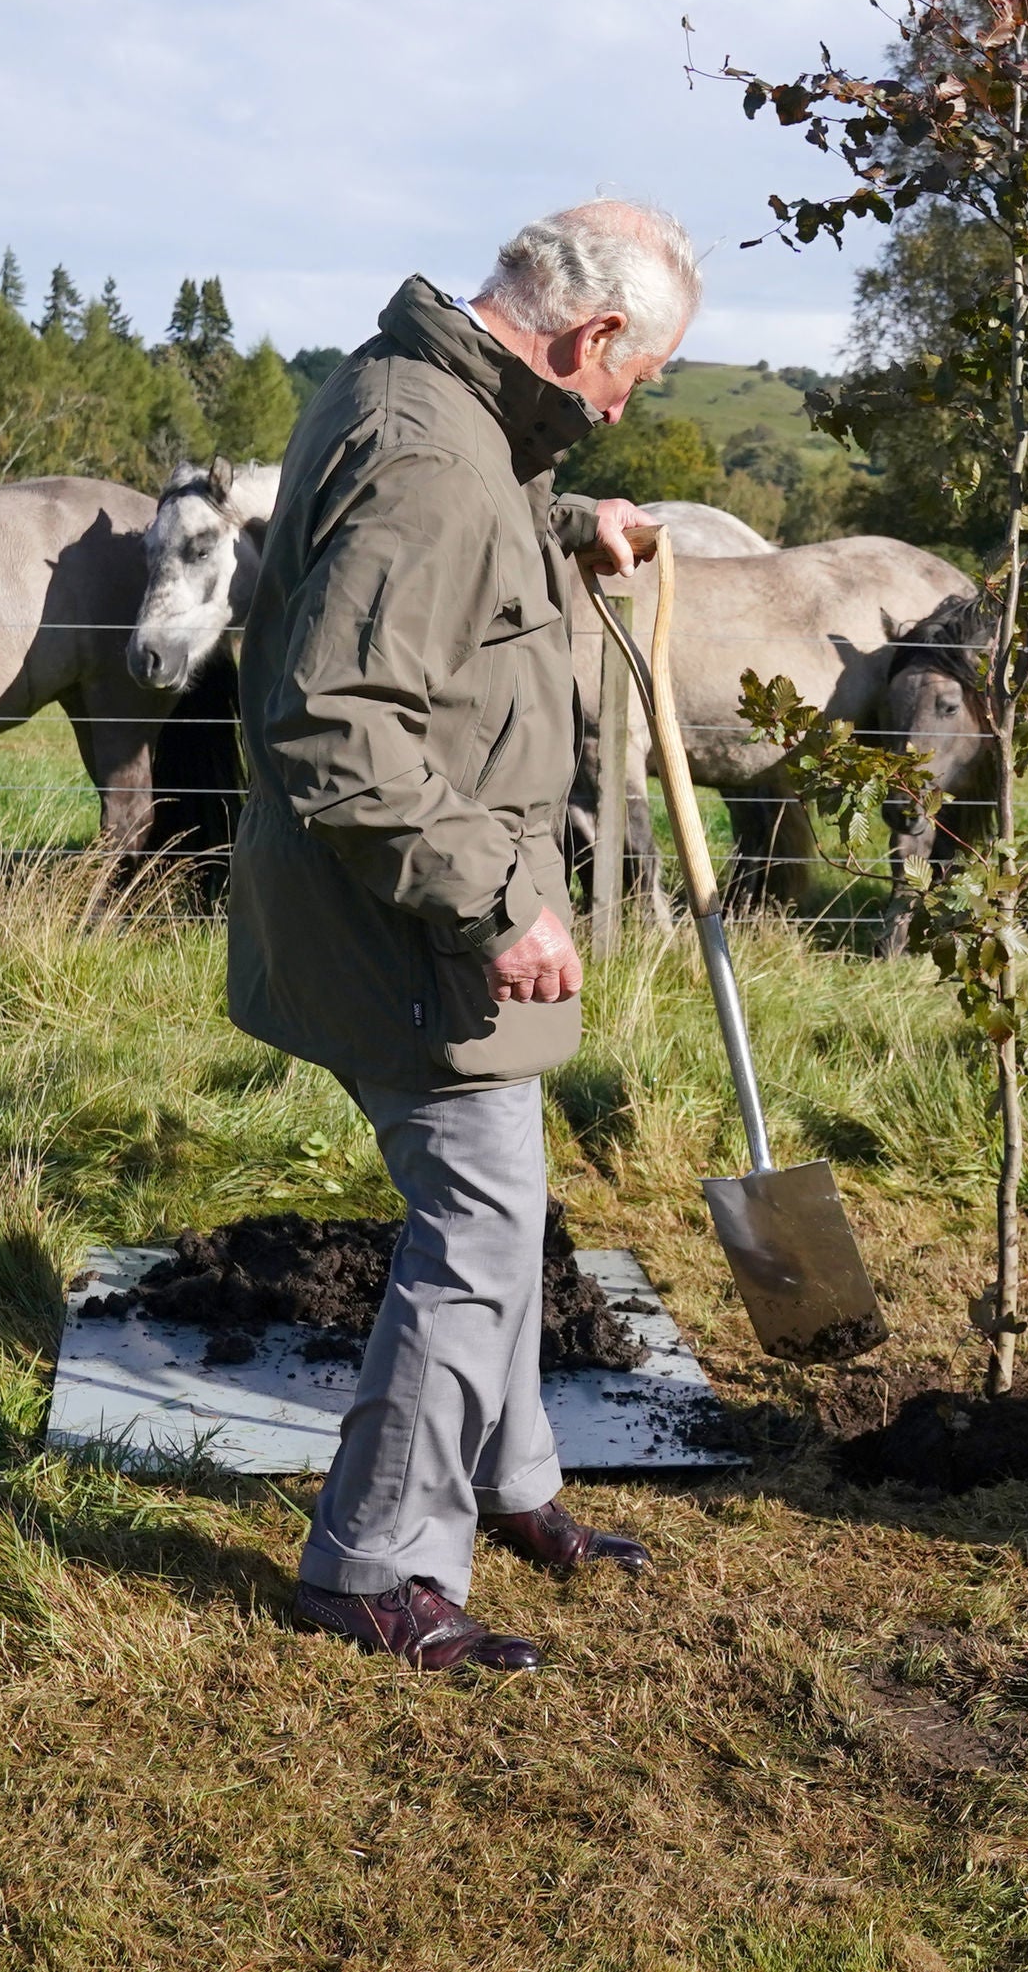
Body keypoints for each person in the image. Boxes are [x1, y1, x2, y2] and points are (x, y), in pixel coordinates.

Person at [227, 201, 697, 1676]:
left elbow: (442, 555)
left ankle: (513, 1485)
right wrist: (494, 905)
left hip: (403, 907)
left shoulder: (417, 399)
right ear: (592, 336)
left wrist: (568, 529)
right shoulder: (436, 455)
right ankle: (375, 1561)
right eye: (640, 378)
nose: (628, 410)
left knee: (504, 1193)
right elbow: (339, 718)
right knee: (479, 1223)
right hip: (416, 921)